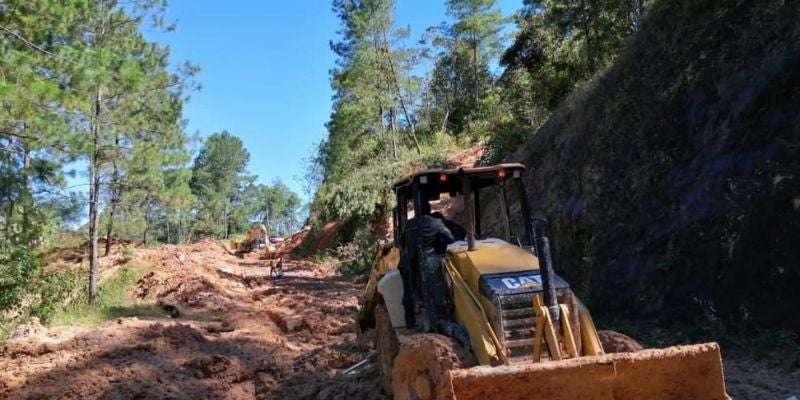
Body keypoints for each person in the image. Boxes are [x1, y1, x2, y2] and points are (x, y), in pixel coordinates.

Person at [397, 201, 455, 330]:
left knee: (408, 293)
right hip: (428, 263)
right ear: (429, 210)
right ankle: (435, 322)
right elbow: (450, 239)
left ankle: (410, 324)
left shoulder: (409, 224)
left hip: (407, 264)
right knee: (433, 293)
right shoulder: (436, 223)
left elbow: (401, 242)